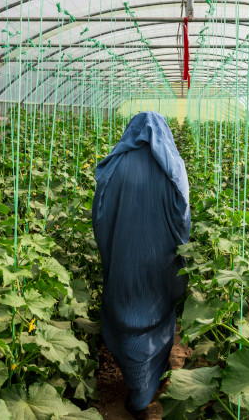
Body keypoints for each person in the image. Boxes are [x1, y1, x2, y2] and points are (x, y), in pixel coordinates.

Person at [92, 111, 190, 417]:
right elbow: (183, 215)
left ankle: (136, 390)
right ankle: (150, 385)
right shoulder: (171, 165)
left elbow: (99, 212)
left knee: (126, 318)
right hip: (158, 260)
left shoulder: (116, 163)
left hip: (124, 258)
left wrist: (112, 243)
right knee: (156, 315)